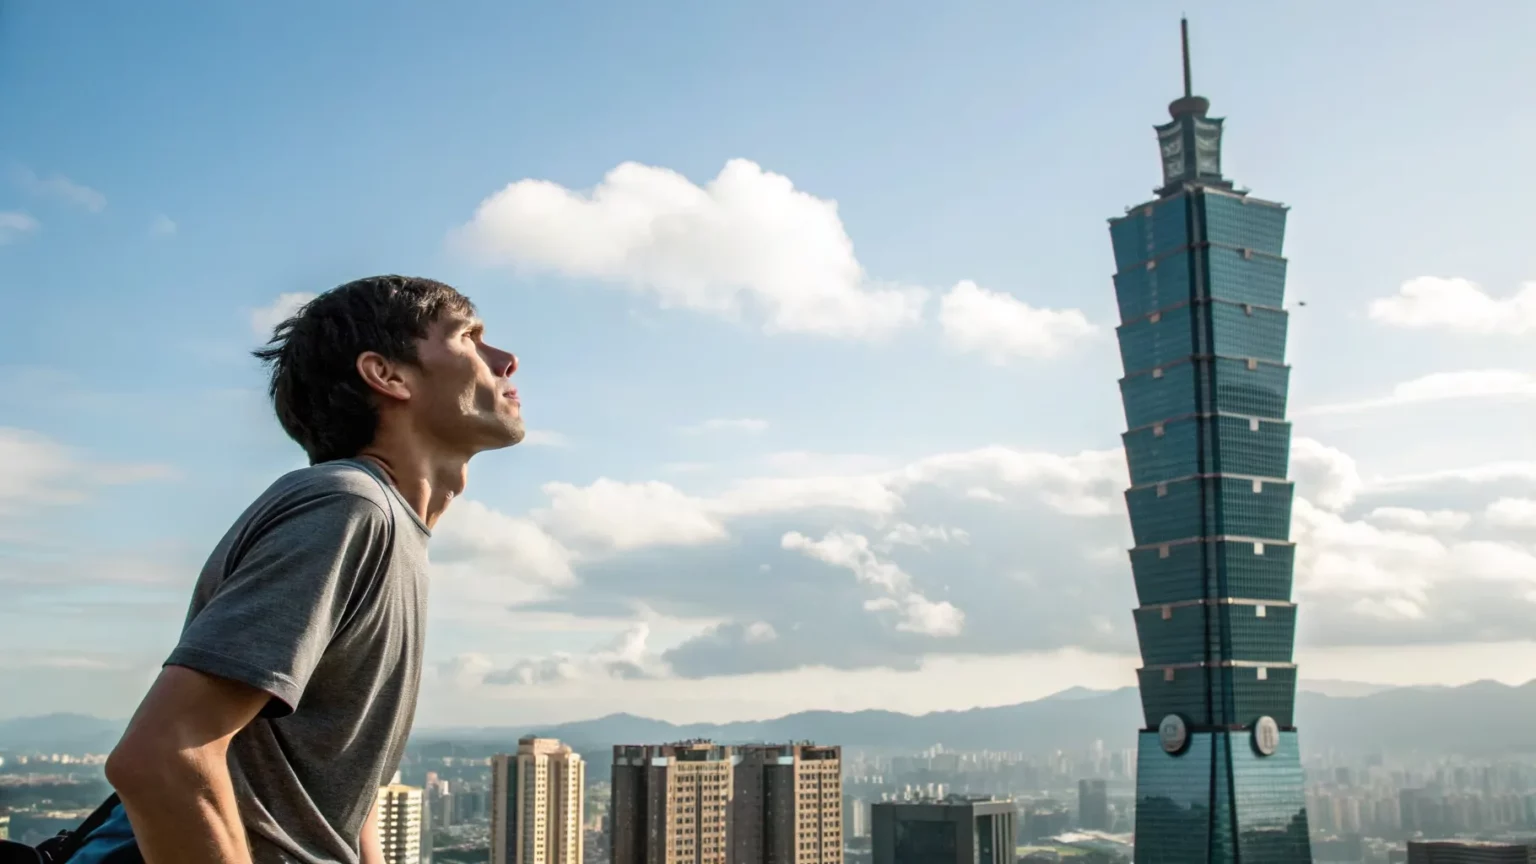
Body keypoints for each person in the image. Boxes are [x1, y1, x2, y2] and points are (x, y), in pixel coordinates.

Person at [89, 276, 524, 864]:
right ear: (387, 375)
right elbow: (162, 754)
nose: (506, 361)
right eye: (469, 337)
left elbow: (348, 792)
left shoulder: (390, 527)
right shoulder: (348, 507)